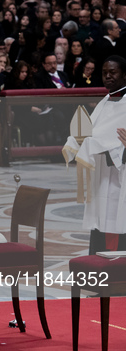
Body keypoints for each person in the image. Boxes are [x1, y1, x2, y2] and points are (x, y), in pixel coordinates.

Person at [64, 56, 126, 254]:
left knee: (119, 217)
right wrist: (73, 144)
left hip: (121, 172)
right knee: (101, 215)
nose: (107, 76)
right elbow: (90, 131)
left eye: (113, 72)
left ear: (124, 75)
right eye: (104, 72)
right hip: (102, 171)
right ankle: (98, 262)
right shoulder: (105, 101)